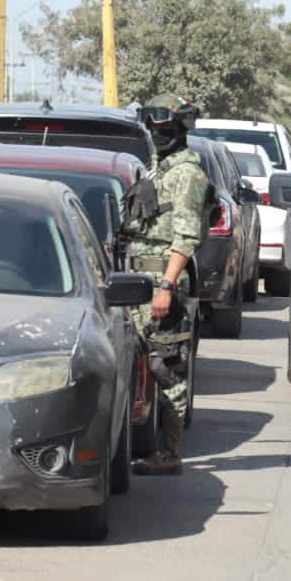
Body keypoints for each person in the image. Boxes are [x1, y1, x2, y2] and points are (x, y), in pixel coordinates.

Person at [120, 92, 215, 476]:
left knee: (165, 367)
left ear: (180, 128)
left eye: (165, 127)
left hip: (163, 281)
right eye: (153, 126)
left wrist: (167, 286)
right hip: (139, 278)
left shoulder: (188, 174)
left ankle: (169, 452)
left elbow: (187, 235)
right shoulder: (158, 169)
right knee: (142, 363)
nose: (158, 133)